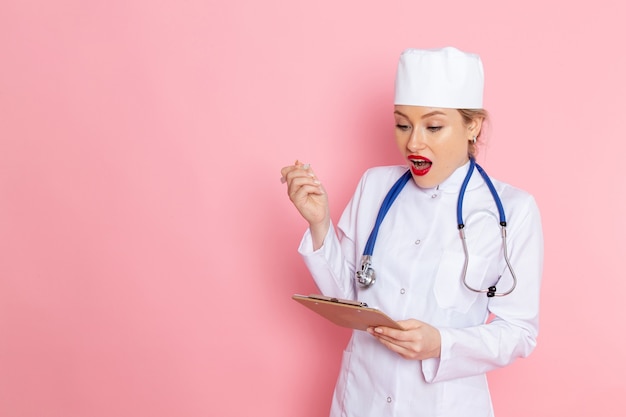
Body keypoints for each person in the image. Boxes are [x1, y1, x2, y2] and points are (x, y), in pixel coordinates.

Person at [280, 47, 543, 417]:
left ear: (473, 126)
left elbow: (519, 331)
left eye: (433, 126)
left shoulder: (513, 210)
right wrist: (319, 222)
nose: (413, 142)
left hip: (445, 405)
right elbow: (348, 298)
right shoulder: (375, 186)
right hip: (361, 400)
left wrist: (442, 343)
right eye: (403, 124)